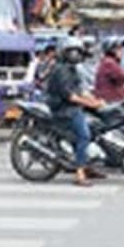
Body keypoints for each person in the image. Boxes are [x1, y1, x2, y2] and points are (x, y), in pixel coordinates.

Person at [44, 38, 105, 187]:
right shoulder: (60, 70)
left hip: (72, 107)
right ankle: (79, 174)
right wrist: (91, 103)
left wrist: (96, 100)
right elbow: (71, 96)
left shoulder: (72, 69)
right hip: (64, 109)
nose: (75, 55)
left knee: (94, 129)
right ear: (64, 53)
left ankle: (87, 165)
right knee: (84, 136)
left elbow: (81, 90)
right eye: (72, 52)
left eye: (77, 52)